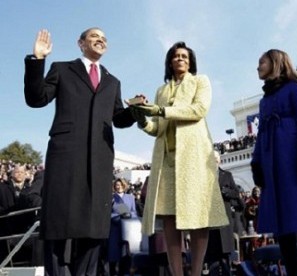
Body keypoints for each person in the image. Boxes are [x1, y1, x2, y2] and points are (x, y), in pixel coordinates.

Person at [23, 28, 135, 276]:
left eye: (105, 38)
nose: (101, 40)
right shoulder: (62, 69)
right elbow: (37, 98)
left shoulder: (112, 81)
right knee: (59, 225)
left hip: (100, 160)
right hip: (66, 156)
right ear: (81, 43)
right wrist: (38, 60)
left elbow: (118, 118)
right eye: (95, 36)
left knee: (94, 227)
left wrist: (135, 110)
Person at [129, 41, 229, 276]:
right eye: (176, 56)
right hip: (166, 159)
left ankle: (195, 272)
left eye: (184, 56)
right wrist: (141, 118)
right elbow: (158, 128)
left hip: (193, 157)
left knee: (198, 216)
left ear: (191, 61)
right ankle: (177, 273)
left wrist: (160, 111)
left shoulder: (200, 81)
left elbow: (198, 110)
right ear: (170, 62)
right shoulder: (161, 91)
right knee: (169, 219)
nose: (180, 59)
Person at [250, 49, 297, 276]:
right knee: (281, 218)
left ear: (275, 63)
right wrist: (256, 161)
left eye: (261, 62)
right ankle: (292, 272)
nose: (258, 67)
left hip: (291, 156)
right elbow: (261, 131)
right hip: (271, 159)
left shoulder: (294, 89)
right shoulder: (264, 100)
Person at [107, 178, 138, 276]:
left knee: (125, 255)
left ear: (124, 186)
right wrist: (118, 216)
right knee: (113, 255)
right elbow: (108, 214)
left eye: (120, 184)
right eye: (117, 185)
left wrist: (129, 215)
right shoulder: (111, 198)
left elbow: (134, 213)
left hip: (127, 230)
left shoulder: (130, 198)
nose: (118, 186)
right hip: (115, 229)